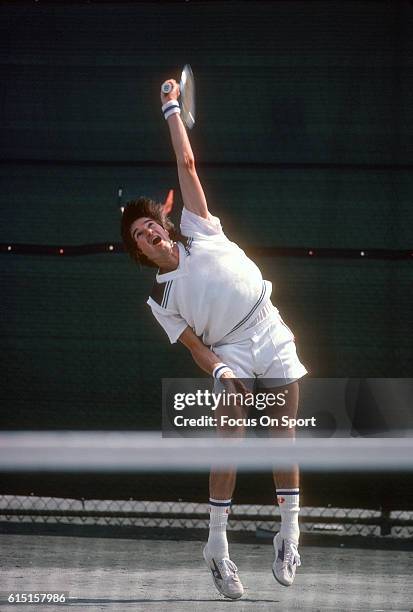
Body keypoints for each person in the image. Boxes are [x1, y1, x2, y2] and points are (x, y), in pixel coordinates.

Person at [121, 78, 307, 600]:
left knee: (284, 434)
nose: (148, 233)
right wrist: (222, 371)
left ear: (164, 224)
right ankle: (217, 548)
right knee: (230, 441)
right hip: (229, 353)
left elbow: (187, 164)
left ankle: (289, 535)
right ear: (139, 252)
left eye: (149, 224)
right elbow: (195, 348)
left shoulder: (199, 226)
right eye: (137, 235)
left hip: (269, 328)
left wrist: (171, 109)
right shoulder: (161, 298)